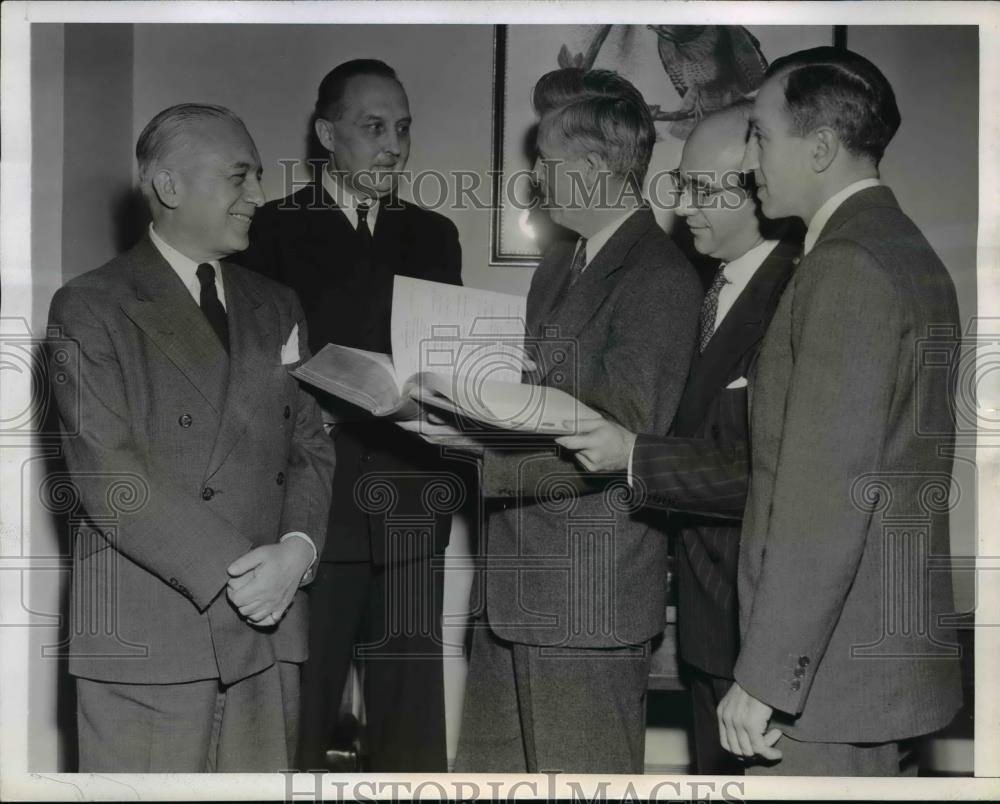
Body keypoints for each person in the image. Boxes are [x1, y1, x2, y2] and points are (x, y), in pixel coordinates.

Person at [47, 103, 336, 772]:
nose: (259, 194)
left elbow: (310, 445)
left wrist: (297, 551)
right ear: (170, 187)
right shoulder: (91, 305)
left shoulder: (279, 303)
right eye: (240, 176)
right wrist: (246, 575)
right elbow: (110, 475)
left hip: (270, 630)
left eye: (257, 176)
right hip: (152, 635)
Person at [432, 67, 702, 774]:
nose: (535, 179)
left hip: (588, 595)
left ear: (590, 168)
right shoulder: (559, 264)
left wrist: (477, 452)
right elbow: (539, 401)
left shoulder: (659, 277)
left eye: (546, 162)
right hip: (513, 583)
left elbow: (619, 436)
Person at [717, 46, 963, 775]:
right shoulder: (906, 251)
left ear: (820, 148)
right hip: (874, 673)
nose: (748, 161)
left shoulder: (847, 266)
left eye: (760, 136)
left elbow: (825, 499)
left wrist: (763, 679)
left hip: (824, 690)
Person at [555, 100, 800, 774]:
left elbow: (771, 475)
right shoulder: (706, 285)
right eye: (680, 184)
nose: (682, 205)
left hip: (758, 628)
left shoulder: (795, 294)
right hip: (707, 620)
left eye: (702, 189)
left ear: (758, 186)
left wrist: (631, 454)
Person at [237, 59, 462, 772]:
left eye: (403, 129)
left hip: (412, 501)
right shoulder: (269, 229)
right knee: (301, 718)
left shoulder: (434, 235)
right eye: (374, 127)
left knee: (411, 731)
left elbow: (445, 363)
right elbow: (253, 372)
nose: (393, 145)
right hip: (312, 509)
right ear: (327, 134)